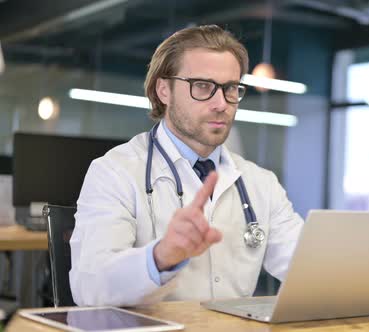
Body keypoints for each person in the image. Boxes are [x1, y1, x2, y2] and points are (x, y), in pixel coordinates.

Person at [69, 25, 304, 306]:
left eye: (230, 88)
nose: (221, 103)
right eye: (203, 86)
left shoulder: (260, 183)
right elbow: (90, 288)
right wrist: (160, 257)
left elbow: (309, 269)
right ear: (164, 90)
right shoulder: (114, 172)